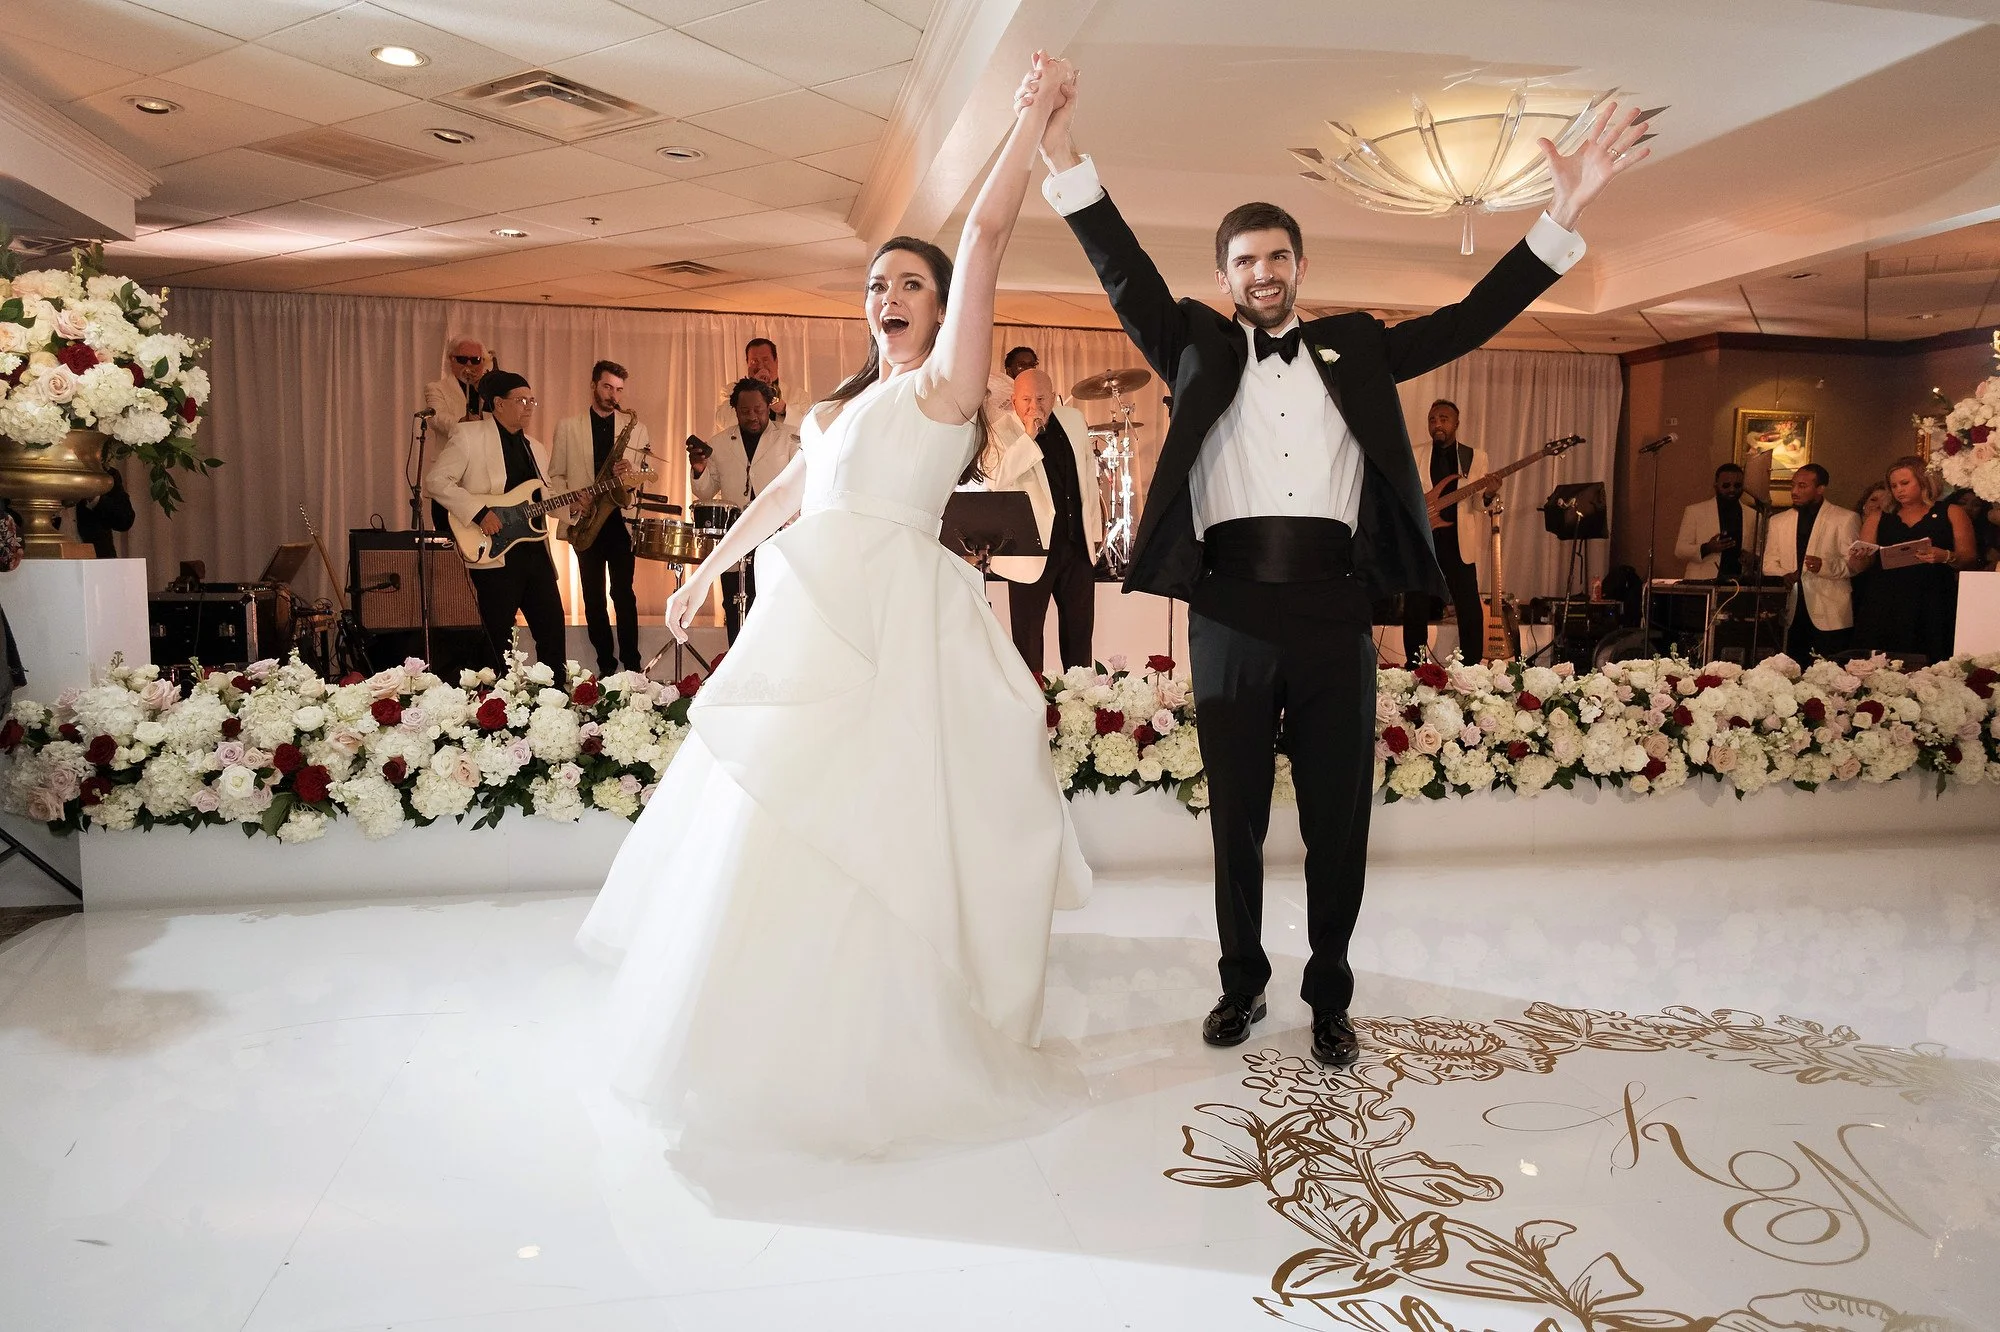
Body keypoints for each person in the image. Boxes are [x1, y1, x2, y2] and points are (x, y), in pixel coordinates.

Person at [1037, 62, 1647, 1066]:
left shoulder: (1355, 347)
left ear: (1299, 266)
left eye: (1276, 257)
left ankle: (1328, 993)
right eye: (1243, 261)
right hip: (1227, 606)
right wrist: (1061, 154)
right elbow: (1123, 269)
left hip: (1332, 608)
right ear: (1226, 274)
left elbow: (1464, 321)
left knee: (1337, 819)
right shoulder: (1191, 343)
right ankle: (1240, 987)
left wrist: (1559, 214)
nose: (1261, 273)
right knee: (1232, 817)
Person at [577, 54, 1087, 1166]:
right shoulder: (835, 405)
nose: (886, 298)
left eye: (907, 284)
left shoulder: (942, 391)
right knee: (781, 804)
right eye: (874, 286)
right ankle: (759, 1030)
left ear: (942, 309)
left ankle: (901, 1033)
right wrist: (710, 573)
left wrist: (1027, 123)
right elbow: (784, 491)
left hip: (899, 613)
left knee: (882, 813)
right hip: (813, 608)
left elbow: (990, 239)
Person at [424, 371, 567, 667]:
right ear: (499, 404)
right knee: (496, 636)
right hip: (495, 551)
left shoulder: (535, 447)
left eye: (532, 400)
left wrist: (575, 505)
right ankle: (494, 703)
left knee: (552, 629)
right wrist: (479, 513)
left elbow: (545, 500)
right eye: (522, 400)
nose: (529, 406)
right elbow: (437, 481)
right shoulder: (468, 436)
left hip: (534, 551)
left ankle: (556, 700)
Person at [985, 366, 1103, 671]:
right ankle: (1033, 713)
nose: (1033, 406)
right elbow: (997, 479)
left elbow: (1088, 479)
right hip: (1029, 551)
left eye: (1040, 398)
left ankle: (1081, 706)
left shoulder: (1074, 420)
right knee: (1027, 646)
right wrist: (1028, 437)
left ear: (1053, 398)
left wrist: (1094, 533)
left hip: (1075, 547)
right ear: (1014, 401)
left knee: (1079, 640)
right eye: (1025, 399)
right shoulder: (999, 431)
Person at [550, 360, 648, 676]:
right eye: (607, 387)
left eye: (619, 389)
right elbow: (556, 476)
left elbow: (642, 476)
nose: (613, 395)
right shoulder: (568, 426)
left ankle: (631, 665)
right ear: (594, 385)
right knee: (592, 599)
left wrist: (629, 474)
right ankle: (606, 665)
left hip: (618, 520)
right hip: (585, 520)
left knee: (623, 594)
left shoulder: (637, 427)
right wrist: (575, 501)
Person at [694, 378, 802, 641]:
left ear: (769, 406)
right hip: (737, 536)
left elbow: (801, 489)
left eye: (759, 410)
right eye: (745, 411)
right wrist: (699, 469)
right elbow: (706, 491)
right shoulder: (719, 443)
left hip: (778, 536)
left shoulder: (790, 438)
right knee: (735, 607)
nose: (752, 416)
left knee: (775, 607)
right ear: (735, 410)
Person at [1849, 456, 1977, 664]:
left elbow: (1969, 558)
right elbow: (1861, 564)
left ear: (1924, 481)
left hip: (1933, 598)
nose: (1899, 490)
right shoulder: (1880, 516)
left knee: (1932, 659)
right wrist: (1859, 557)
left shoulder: (1951, 512)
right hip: (1886, 600)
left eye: (1905, 483)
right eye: (1894, 486)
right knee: (1882, 662)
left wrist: (1944, 556)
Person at [1402, 399, 1493, 663]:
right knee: (1416, 604)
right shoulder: (1415, 453)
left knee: (1468, 606)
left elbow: (1477, 503)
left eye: (1443, 419)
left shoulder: (1474, 456)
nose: (1437, 424)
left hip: (1458, 542)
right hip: (1424, 539)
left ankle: (1472, 666)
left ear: (1456, 424)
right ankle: (1415, 665)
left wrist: (1489, 493)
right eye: (1432, 419)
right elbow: (1405, 493)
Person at [1762, 463, 1858, 661]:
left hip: (1831, 611)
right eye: (1793, 485)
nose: (1795, 491)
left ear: (1820, 489)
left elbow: (1854, 564)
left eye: (1802, 486)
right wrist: (1784, 574)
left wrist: (1825, 566)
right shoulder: (1778, 521)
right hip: (1792, 610)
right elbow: (1768, 563)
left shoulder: (1845, 518)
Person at [1675, 463, 1763, 580]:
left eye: (1737, 485)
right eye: (1726, 485)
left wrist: (1753, 558)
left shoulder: (1754, 515)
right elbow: (1680, 550)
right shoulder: (1695, 511)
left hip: (1740, 582)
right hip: (1702, 582)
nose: (1732, 489)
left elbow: (1759, 551)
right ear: (1716, 485)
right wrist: (1707, 548)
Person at [712, 337, 786, 430]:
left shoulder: (799, 395)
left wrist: (784, 409)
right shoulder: (729, 390)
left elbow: (802, 428)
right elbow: (724, 421)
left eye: (765, 360)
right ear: (747, 364)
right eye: (754, 361)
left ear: (776, 361)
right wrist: (753, 386)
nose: (760, 366)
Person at [71, 463, 135, 559]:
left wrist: (94, 497)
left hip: (98, 560)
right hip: (49, 560)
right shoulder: (44, 475)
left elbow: (125, 520)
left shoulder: (105, 474)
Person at [426, 336, 489, 424]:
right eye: (462, 359)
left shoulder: (490, 388)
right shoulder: (437, 388)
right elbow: (436, 417)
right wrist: (461, 422)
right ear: (451, 360)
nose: (469, 364)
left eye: (475, 360)